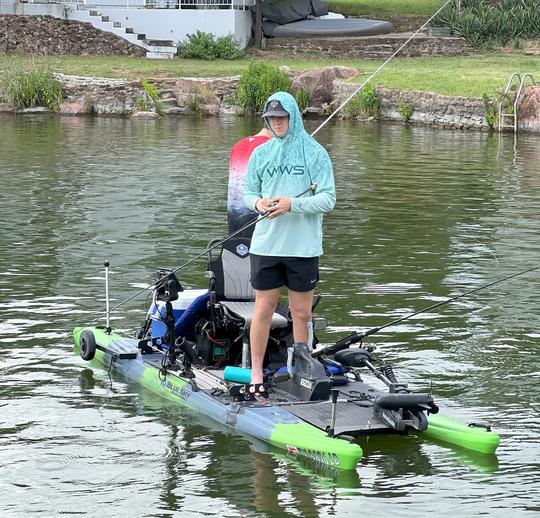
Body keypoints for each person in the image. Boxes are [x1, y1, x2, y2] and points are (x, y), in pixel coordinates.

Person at [243, 91, 336, 396]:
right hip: (266, 247)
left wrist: (292, 204)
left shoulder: (316, 154)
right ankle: (255, 371)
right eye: (272, 119)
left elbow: (328, 199)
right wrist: (259, 204)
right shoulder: (260, 154)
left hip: (302, 248)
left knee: (302, 313)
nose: (278, 123)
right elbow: (248, 193)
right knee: (264, 310)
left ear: (293, 117)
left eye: (282, 117)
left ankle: (301, 368)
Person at [228, 127, 273, 237]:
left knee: (236, 251)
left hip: (233, 213)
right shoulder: (270, 146)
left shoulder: (239, 144)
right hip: (256, 214)